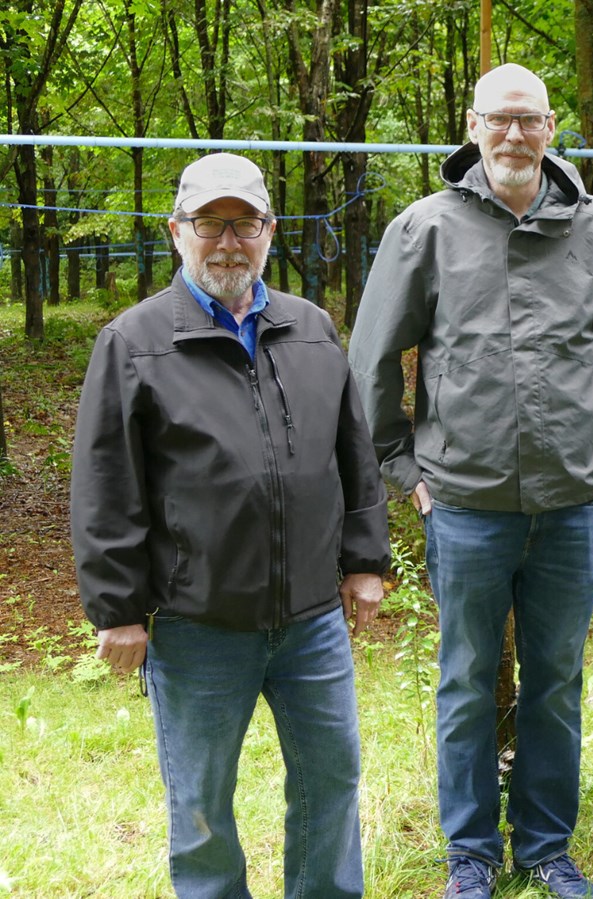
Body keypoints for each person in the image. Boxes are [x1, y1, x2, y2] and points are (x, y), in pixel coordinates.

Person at [347, 63, 593, 899]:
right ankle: (470, 853)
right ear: (473, 126)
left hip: (568, 509)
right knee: (468, 679)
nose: (516, 135)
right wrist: (405, 469)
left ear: (554, 129)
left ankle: (547, 846)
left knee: (556, 679)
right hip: (465, 505)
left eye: (532, 120)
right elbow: (371, 362)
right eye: (500, 119)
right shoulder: (425, 229)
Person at [70, 152, 390, 898]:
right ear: (176, 230)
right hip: (199, 623)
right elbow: (107, 482)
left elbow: (354, 453)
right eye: (209, 223)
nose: (227, 241)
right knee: (202, 804)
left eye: (244, 223)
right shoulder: (135, 341)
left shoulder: (310, 329)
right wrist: (117, 608)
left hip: (313, 620)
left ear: (270, 231)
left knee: (331, 781)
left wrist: (364, 559)